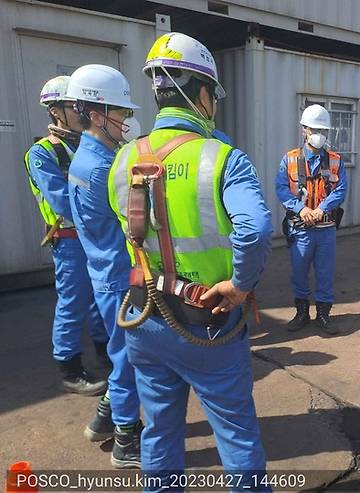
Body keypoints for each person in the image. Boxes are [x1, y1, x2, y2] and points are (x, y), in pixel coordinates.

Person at [107, 32, 272, 490]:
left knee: (159, 430)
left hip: (146, 317)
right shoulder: (223, 159)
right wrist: (240, 285)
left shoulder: (122, 161)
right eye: (212, 96)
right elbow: (255, 230)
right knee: (236, 434)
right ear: (202, 94)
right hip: (208, 323)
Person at [66, 64, 143, 468]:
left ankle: (103, 420)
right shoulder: (104, 167)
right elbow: (135, 228)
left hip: (103, 272)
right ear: (97, 114)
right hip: (119, 277)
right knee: (129, 360)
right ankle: (127, 441)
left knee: (119, 353)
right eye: (123, 113)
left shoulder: (85, 157)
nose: (127, 121)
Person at [24, 75, 108, 395]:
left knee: (100, 298)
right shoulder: (42, 153)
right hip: (70, 240)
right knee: (73, 301)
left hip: (94, 236)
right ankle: (69, 367)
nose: (82, 112)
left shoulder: (88, 145)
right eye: (75, 106)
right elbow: (61, 199)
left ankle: (104, 351)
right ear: (56, 111)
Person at [275, 104, 348, 335]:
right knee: (299, 271)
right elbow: (281, 188)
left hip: (326, 229)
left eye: (323, 130)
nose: (319, 134)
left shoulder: (336, 160)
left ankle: (324, 315)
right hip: (300, 229)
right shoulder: (290, 159)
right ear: (304, 129)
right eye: (314, 129)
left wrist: (321, 209)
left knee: (325, 272)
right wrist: (301, 209)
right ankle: (302, 313)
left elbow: (340, 189)